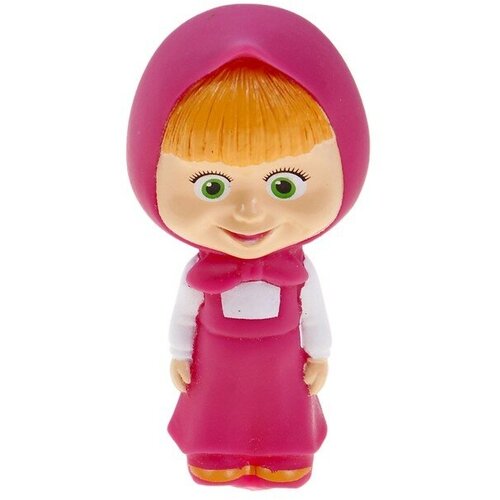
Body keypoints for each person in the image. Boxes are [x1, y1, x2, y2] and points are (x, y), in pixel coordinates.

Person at [127, 4, 369, 488]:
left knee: (281, 412)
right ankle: (215, 452)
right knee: (217, 411)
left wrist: (319, 354)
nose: (250, 212)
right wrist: (179, 353)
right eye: (211, 186)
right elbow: (183, 314)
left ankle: (284, 453)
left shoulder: (301, 270)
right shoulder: (198, 273)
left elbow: (314, 315)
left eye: (285, 185)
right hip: (218, 365)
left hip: (281, 369)